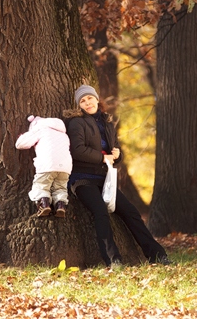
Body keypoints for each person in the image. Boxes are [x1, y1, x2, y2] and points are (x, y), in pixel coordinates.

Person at [66, 84, 172, 267]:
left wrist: (117, 155)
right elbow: (77, 150)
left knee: (130, 212)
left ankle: (157, 255)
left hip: (105, 179)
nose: (87, 102)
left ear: (97, 99)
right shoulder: (77, 123)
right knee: (100, 211)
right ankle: (113, 259)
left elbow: (115, 149)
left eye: (90, 98)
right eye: (82, 101)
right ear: (79, 106)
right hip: (82, 179)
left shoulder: (107, 122)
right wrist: (103, 157)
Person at [16, 115, 72, 217]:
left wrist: (23, 136)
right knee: (60, 188)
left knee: (41, 186)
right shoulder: (64, 134)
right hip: (65, 167)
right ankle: (60, 206)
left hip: (47, 165)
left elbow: (20, 144)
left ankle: (44, 204)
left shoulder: (40, 130)